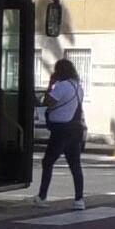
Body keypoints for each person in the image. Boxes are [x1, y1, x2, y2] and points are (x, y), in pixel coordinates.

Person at [34, 58, 86, 209]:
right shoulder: (78, 87)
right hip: (75, 130)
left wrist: (51, 85)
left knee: (48, 162)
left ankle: (42, 196)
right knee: (75, 165)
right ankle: (79, 199)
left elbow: (47, 102)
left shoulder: (62, 86)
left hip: (61, 130)